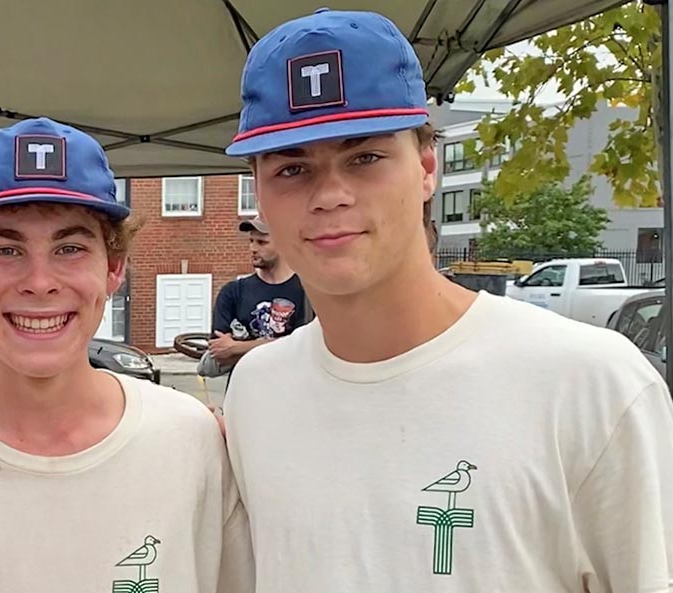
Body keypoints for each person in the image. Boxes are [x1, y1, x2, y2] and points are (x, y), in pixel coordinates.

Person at [222, 8, 673, 593]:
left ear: (427, 166)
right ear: (259, 191)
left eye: (365, 158)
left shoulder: (591, 384)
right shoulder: (258, 390)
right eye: (292, 168)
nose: (330, 194)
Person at [0, 117, 253, 593]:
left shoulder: (191, 441)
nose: (39, 281)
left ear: (114, 266)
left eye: (70, 247)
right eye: (7, 249)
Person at [208, 216, 308, 370]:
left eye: (262, 242)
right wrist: (282, 344)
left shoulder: (307, 292)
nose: (253, 248)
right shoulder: (233, 292)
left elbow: (304, 348)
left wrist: (238, 347)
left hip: (291, 389)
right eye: (251, 241)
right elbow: (221, 354)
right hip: (245, 388)